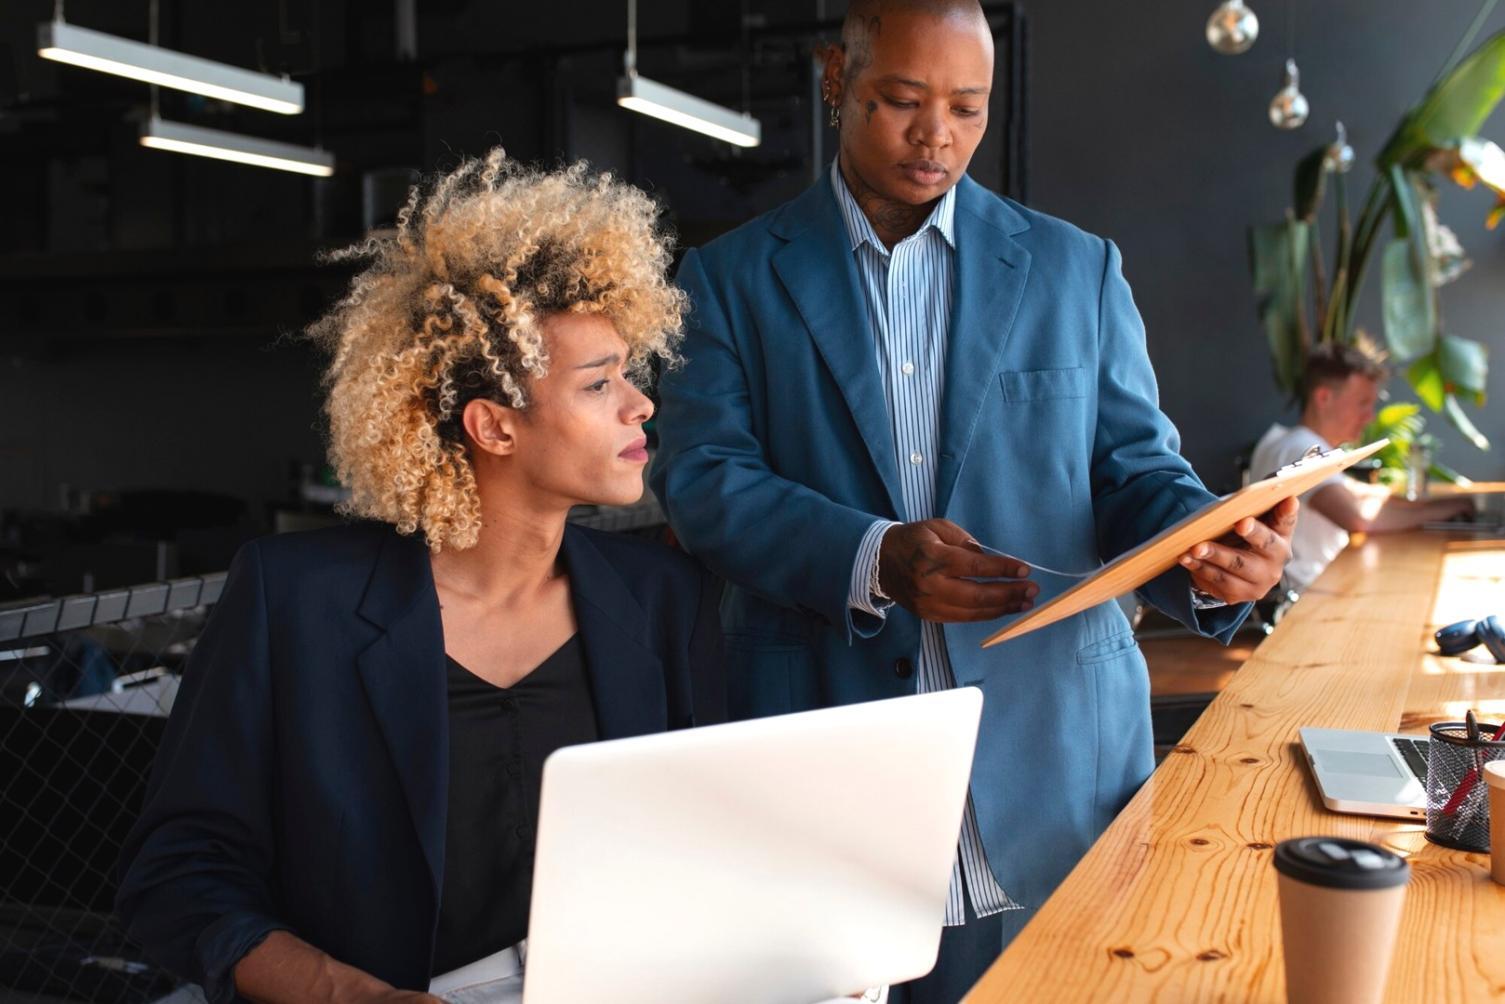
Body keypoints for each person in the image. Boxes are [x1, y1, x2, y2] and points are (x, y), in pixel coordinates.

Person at [649, 1, 1295, 998]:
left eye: (966, 106)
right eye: (900, 100)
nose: (934, 133)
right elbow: (700, 477)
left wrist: (1212, 551)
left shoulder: (1073, 269)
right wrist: (871, 554)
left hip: (1053, 767)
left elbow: (1134, 472)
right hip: (828, 754)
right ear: (835, 79)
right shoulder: (727, 280)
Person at [116, 151, 724, 1004]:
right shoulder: (296, 601)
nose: (640, 404)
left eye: (629, 372)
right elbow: (178, 875)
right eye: (599, 384)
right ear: (493, 427)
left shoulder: (662, 599)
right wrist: (349, 995)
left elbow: (709, 844)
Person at [1249, 339, 1472, 591]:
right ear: (1324, 397)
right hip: (1312, 596)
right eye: (1363, 403)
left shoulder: (1282, 440)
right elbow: (1359, 518)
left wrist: (1422, 504)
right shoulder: (1305, 450)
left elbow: (1355, 491)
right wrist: (1448, 509)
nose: (1370, 415)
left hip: (1322, 584)